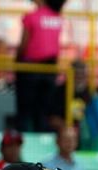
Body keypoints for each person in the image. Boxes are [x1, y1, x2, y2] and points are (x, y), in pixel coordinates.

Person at [15, 0, 65, 132]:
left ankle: (23, 139)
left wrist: (17, 59)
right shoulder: (58, 18)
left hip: (30, 68)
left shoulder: (31, 16)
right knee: (43, 111)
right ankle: (41, 140)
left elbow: (24, 43)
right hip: (50, 67)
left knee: (25, 110)